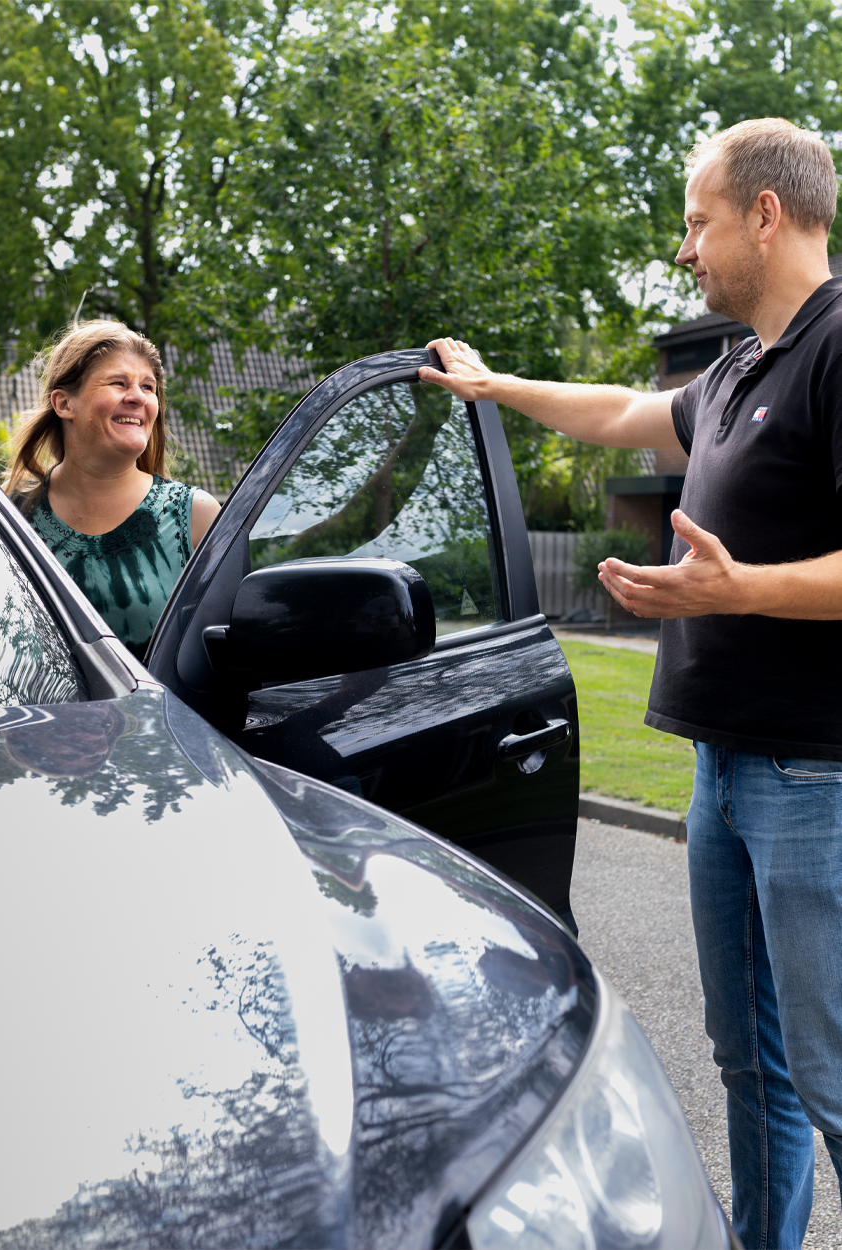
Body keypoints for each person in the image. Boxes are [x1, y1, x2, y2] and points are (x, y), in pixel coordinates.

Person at [420, 117, 842, 1248]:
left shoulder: (841, 346)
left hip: (815, 776)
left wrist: (733, 587)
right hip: (722, 767)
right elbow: (618, 412)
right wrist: (495, 387)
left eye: (698, 220)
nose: (684, 247)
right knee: (749, 1063)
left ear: (765, 210)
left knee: (830, 1067)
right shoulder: (740, 365)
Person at [2, 320, 221, 662]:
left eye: (148, 388)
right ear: (63, 404)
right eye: (119, 383)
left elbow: (225, 664)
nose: (138, 397)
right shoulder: (8, 517)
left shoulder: (195, 516)